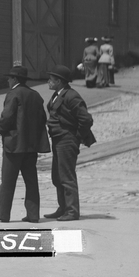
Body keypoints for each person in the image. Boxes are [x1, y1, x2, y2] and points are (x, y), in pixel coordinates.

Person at [0, 64, 48, 223]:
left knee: (7, 181)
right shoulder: (35, 95)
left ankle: (2, 214)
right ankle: (33, 215)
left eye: (9, 78)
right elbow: (42, 119)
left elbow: (6, 117)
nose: (7, 81)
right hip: (31, 146)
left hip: (13, 146)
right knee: (31, 181)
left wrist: (3, 132)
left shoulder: (13, 94)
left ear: (14, 79)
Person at [44, 64, 94, 221]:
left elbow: (86, 119)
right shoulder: (58, 95)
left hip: (66, 140)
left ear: (59, 81)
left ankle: (72, 211)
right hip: (58, 139)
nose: (48, 82)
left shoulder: (72, 96)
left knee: (66, 177)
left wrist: (77, 137)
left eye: (51, 79)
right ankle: (63, 207)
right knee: (57, 176)